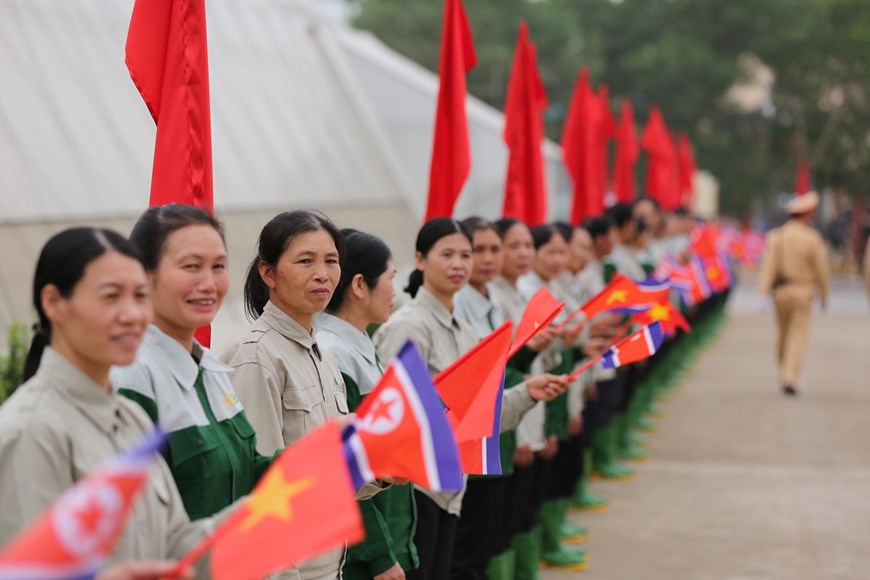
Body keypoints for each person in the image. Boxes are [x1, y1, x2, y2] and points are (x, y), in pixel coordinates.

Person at [0, 227, 205, 574]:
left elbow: (178, 544)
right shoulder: (31, 430)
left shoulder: (133, 418)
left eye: (140, 296)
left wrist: (277, 510)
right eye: (111, 296)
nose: (132, 315)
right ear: (53, 303)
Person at [373, 218, 563, 580]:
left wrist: (527, 393)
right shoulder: (409, 327)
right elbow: (390, 420)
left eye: (465, 254)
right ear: (421, 259)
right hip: (415, 492)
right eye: (447, 254)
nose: (459, 264)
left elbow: (481, 414)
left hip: (450, 487)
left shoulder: (465, 330)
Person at [221, 210, 387, 580]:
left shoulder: (320, 354)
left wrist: (380, 473)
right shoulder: (256, 356)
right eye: (305, 261)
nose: (322, 274)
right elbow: (258, 491)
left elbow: (323, 477)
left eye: (331, 261)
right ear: (269, 273)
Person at [111, 205, 272, 521]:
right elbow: (132, 518)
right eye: (191, 266)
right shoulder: (131, 376)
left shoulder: (209, 368)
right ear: (144, 274)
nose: (210, 284)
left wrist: (327, 454)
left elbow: (248, 473)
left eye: (219, 266)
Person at [451, 217, 570, 580]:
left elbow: (507, 371)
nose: (487, 258)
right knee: (472, 543)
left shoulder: (497, 302)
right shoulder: (461, 305)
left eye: (494, 249)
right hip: (475, 439)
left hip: (504, 425)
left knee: (494, 532)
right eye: (478, 250)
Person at [317, 229, 417, 580]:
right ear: (360, 286)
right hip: (364, 556)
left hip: (390, 534)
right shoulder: (335, 353)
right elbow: (344, 465)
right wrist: (379, 555)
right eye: (391, 278)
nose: (395, 290)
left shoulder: (357, 343)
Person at [758, 191, 830, 396]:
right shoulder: (812, 238)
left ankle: (785, 372)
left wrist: (763, 293)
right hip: (803, 293)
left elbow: (768, 267)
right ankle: (790, 377)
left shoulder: (777, 236)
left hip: (780, 292)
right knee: (798, 336)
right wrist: (824, 295)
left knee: (783, 335)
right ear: (806, 216)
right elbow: (821, 270)